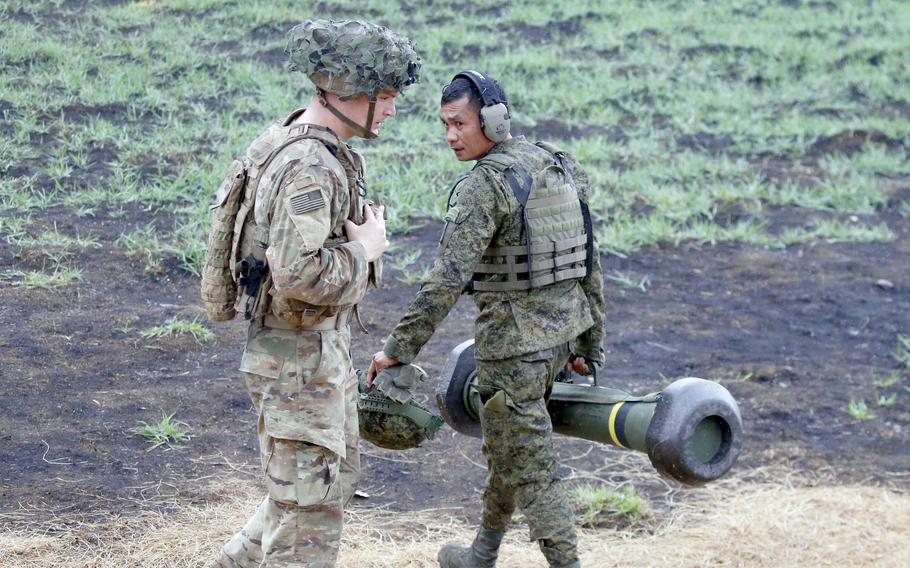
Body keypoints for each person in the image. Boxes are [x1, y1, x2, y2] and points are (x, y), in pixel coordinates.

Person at [368, 71, 605, 568]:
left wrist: (398, 348)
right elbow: (589, 263)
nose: (451, 136)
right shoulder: (557, 163)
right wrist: (589, 346)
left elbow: (444, 281)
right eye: (444, 125)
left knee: (533, 469)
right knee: (510, 448)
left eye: (459, 123)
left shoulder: (484, 185)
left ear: (493, 121)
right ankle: (483, 552)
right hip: (560, 338)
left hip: (512, 351)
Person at [210, 19, 421, 568]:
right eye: (386, 97)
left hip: (305, 357)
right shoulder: (311, 167)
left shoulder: (304, 147)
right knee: (308, 523)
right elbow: (298, 275)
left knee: (298, 500)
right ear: (350, 92)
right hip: (299, 363)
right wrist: (366, 250)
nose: (393, 109)